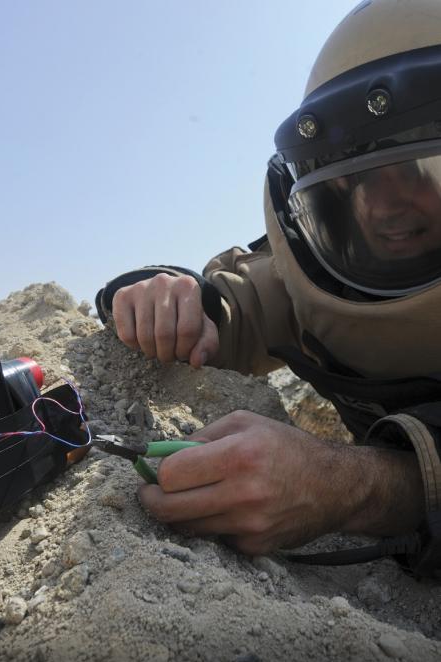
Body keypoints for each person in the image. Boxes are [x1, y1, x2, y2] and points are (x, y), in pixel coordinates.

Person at [95, 0, 441, 576]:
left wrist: (355, 487)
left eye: (416, 168)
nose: (383, 206)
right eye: (354, 179)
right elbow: (239, 303)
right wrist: (171, 302)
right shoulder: (320, 279)